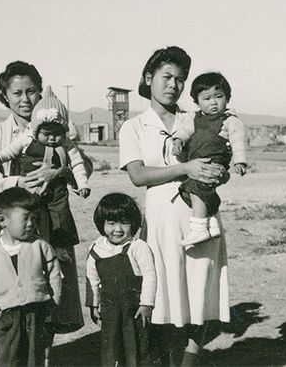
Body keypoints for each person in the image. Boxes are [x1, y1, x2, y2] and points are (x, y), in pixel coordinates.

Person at [119, 46, 230, 366]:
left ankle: (189, 362)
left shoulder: (197, 118)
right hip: (161, 221)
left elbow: (220, 159)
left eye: (180, 79)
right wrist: (187, 168)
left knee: (201, 292)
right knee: (166, 297)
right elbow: (138, 176)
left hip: (201, 215)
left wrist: (216, 172)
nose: (173, 85)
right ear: (148, 78)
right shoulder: (135, 126)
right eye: (167, 77)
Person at [0, 61, 87, 341]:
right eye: (17, 93)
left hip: (53, 220)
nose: (25, 100)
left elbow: (83, 164)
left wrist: (61, 172)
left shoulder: (60, 128)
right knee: (9, 296)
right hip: (11, 224)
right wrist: (19, 184)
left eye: (32, 91)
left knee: (46, 295)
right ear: (5, 96)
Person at [0, 187, 62, 366]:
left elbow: (54, 272)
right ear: (2, 221)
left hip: (36, 311)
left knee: (34, 356)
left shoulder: (39, 245)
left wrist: (53, 300)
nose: (30, 224)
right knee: (6, 358)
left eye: (33, 219)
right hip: (6, 316)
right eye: (25, 219)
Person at [170, 72, 247, 248]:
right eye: (206, 98)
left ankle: (198, 228)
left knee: (197, 188)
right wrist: (178, 140)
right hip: (196, 161)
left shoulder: (230, 120)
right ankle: (211, 224)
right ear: (197, 102)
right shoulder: (193, 118)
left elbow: (237, 141)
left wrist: (239, 162)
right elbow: (185, 131)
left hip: (214, 162)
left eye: (218, 97)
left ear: (227, 98)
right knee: (197, 190)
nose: (213, 102)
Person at [86, 193, 156, 367]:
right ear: (102, 224)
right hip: (110, 311)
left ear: (133, 223)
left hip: (134, 310)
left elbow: (150, 275)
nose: (118, 229)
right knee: (111, 348)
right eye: (111, 223)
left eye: (124, 223)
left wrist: (146, 304)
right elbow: (92, 278)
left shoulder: (137, 247)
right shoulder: (96, 249)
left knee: (137, 348)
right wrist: (93, 305)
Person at [0, 93, 91, 198]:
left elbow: (77, 164)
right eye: (46, 134)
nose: (52, 138)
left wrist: (82, 185)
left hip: (57, 191)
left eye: (57, 134)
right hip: (29, 187)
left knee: (61, 214)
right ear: (36, 131)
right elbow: (11, 150)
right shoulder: (27, 138)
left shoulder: (67, 144)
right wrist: (0, 157)